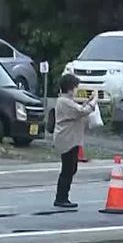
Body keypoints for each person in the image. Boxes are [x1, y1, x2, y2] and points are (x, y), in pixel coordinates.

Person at [52, 74, 96, 208]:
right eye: (76, 87)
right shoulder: (64, 101)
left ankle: (63, 196)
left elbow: (78, 109)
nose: (77, 89)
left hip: (71, 138)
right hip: (67, 139)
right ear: (70, 88)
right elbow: (81, 111)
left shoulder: (67, 101)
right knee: (68, 168)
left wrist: (87, 102)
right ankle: (61, 198)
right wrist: (93, 102)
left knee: (71, 168)